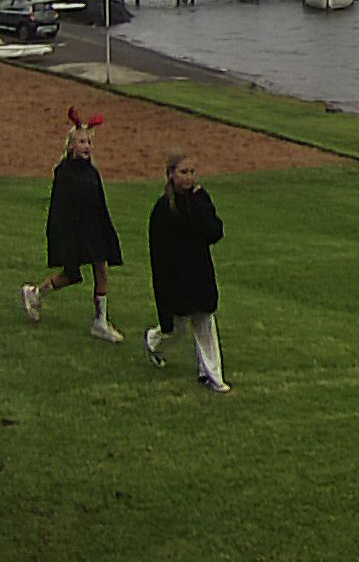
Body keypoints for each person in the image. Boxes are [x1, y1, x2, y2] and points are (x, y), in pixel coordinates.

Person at [20, 107, 125, 342]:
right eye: (81, 142)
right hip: (72, 232)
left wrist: (106, 232)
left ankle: (101, 321)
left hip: (94, 229)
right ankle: (35, 292)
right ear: (71, 146)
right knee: (71, 275)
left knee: (101, 268)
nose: (86, 146)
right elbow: (61, 209)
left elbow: (99, 205)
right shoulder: (64, 173)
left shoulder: (92, 173)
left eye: (89, 142)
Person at [144, 152, 230, 393]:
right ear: (171, 175)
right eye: (183, 172)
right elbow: (159, 252)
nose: (188, 177)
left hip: (199, 270)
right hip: (175, 275)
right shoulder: (163, 209)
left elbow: (214, 232)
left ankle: (212, 374)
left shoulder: (200, 200)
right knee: (176, 327)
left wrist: (202, 203)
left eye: (192, 172)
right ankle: (154, 342)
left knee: (204, 320)